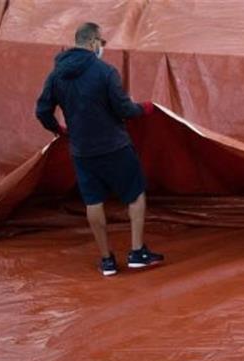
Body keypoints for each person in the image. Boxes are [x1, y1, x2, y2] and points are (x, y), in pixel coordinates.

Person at [35, 22, 164, 277]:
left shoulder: (56, 75)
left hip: (82, 150)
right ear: (94, 42)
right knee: (135, 194)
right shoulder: (105, 72)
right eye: (101, 43)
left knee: (93, 201)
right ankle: (137, 252)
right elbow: (124, 109)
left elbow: (41, 111)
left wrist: (59, 130)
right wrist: (146, 108)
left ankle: (106, 260)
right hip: (114, 146)